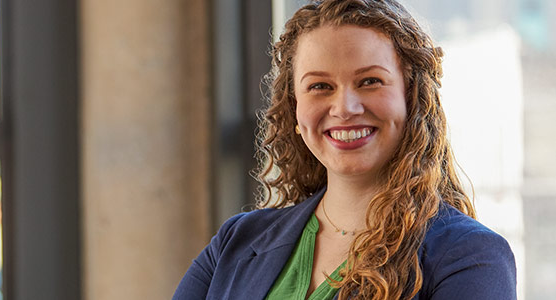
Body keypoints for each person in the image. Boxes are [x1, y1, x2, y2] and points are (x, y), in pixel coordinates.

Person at [173, 0, 517, 299]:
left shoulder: (471, 257)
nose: (344, 107)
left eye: (369, 81)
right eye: (320, 86)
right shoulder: (235, 241)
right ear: (294, 108)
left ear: (413, 99)